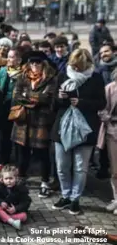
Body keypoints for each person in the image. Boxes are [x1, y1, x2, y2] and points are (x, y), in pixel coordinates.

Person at [51, 49, 106, 215]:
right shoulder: (62, 75)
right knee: (62, 166)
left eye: (79, 67)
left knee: (80, 167)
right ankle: (65, 195)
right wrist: (60, 97)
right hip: (62, 127)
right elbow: (53, 104)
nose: (75, 69)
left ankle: (75, 199)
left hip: (85, 128)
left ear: (87, 64)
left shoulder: (95, 78)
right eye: (73, 66)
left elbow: (101, 103)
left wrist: (82, 103)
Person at [11, 51, 57, 198]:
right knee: (21, 152)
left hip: (41, 122)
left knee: (42, 153)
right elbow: (16, 95)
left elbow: (47, 97)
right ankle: (22, 177)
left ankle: (44, 182)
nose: (35, 66)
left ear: (43, 64)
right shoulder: (23, 77)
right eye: (32, 63)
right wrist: (34, 100)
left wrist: (28, 97)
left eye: (37, 63)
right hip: (23, 121)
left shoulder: (50, 78)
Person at [98, 69, 117, 214]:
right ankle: (116, 198)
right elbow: (101, 109)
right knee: (115, 170)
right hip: (113, 132)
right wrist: (109, 119)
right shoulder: (110, 88)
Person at [0, 165, 31, 230]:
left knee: (24, 216)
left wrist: (16, 208)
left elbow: (26, 202)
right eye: (6, 179)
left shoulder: (21, 188)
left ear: (16, 178)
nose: (8, 181)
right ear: (2, 179)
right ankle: (11, 221)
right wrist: (1, 202)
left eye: (11, 178)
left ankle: (3, 217)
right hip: (3, 208)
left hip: (15, 211)